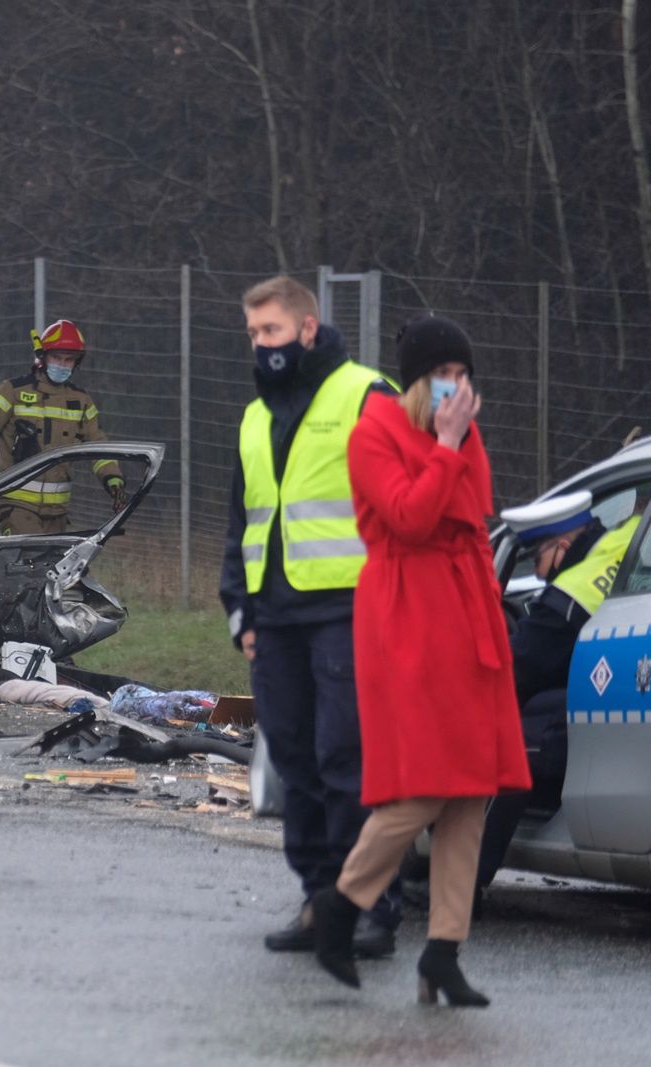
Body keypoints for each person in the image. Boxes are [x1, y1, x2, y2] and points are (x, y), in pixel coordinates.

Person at [311, 315, 530, 1006]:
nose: (459, 388)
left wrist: (454, 444)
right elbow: (409, 517)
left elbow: (473, 510)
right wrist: (445, 446)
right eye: (447, 376)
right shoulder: (372, 432)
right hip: (409, 616)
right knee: (424, 786)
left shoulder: (462, 431)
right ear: (418, 379)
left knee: (473, 789)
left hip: (467, 614)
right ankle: (342, 907)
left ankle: (443, 949)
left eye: (465, 377)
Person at [219, 276, 398, 957]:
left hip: (350, 611)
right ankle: (320, 898)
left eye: (271, 331)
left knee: (347, 759)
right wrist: (240, 609)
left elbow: (406, 502)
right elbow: (242, 523)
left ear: (308, 328)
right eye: (253, 334)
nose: (261, 345)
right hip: (276, 619)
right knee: (294, 759)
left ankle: (370, 901)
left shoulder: (366, 395)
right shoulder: (255, 416)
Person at [474, 491, 640, 896]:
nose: (540, 573)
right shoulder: (625, 538)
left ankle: (464, 886)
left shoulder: (568, 594)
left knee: (515, 747)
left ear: (562, 546)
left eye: (538, 559)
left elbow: (517, 666)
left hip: (616, 683)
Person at [0, 319, 123, 534]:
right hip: (16, 505)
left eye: (69, 360)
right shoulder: (12, 391)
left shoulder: (81, 401)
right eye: (56, 357)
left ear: (77, 363)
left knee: (53, 567)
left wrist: (112, 479)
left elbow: (98, 445)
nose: (62, 364)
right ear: (42, 357)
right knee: (24, 565)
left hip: (58, 513)